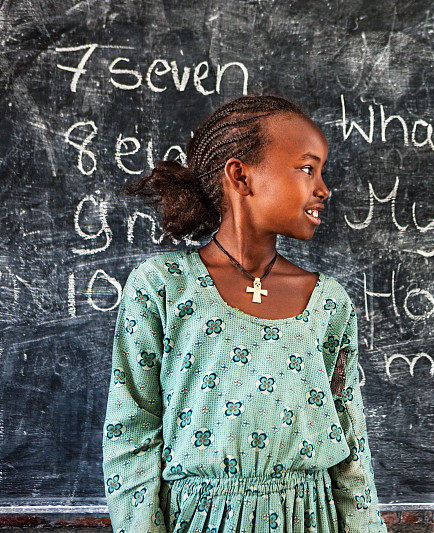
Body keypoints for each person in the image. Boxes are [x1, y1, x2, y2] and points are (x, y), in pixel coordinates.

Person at [101, 93, 388, 532]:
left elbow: (351, 447)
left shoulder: (328, 303)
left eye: (322, 172)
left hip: (310, 519)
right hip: (201, 520)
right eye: (307, 169)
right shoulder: (163, 288)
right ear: (240, 176)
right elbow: (131, 434)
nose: (323, 189)